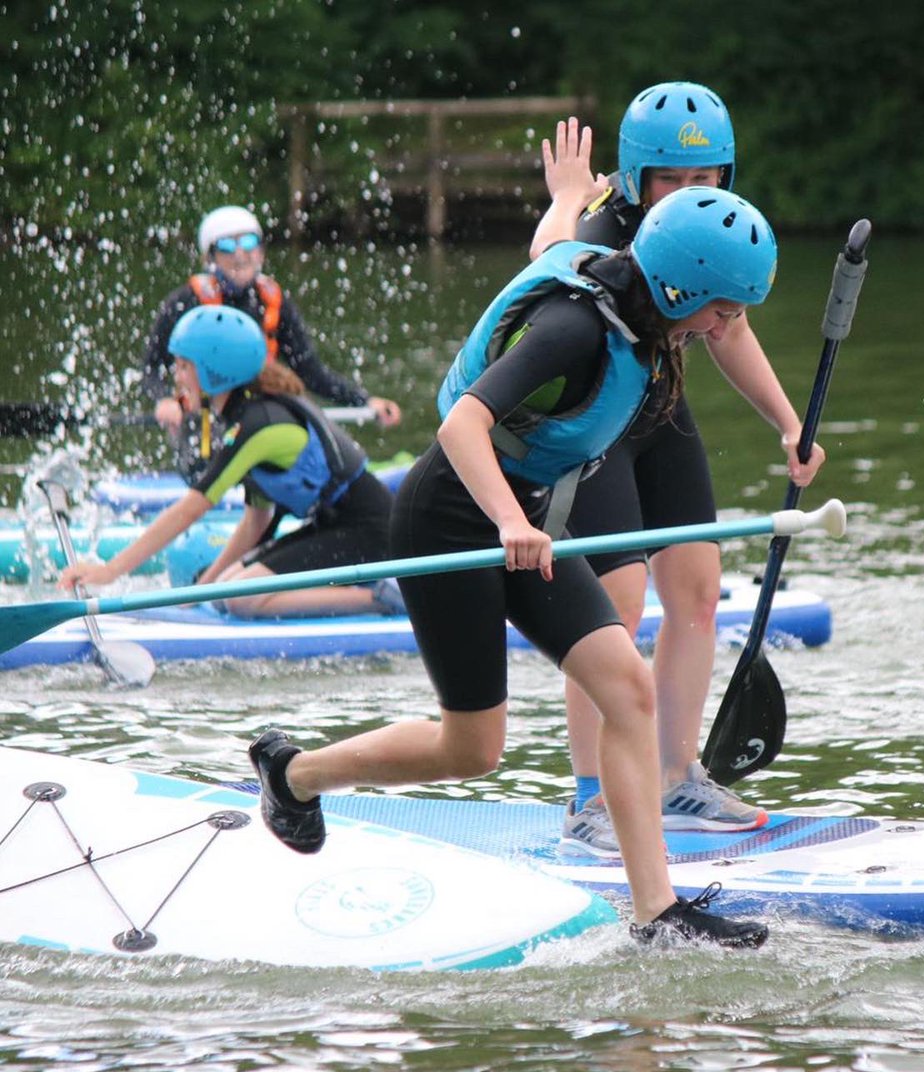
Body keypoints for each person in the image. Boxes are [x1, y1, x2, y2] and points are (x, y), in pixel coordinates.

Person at [249, 185, 780, 947]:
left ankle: (656, 914)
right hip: (448, 521)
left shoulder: (646, 316)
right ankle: (292, 775)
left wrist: (566, 195)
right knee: (472, 750)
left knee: (626, 687)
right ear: (677, 287)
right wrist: (504, 518)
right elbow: (463, 420)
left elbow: (559, 235)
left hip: (524, 522)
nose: (728, 328)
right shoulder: (571, 329)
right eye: (724, 311)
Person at [529, 84, 827, 856]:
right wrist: (564, 196)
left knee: (696, 590)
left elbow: (728, 333)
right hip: (594, 422)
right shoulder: (601, 217)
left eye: (709, 179)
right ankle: (590, 797)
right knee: (615, 611)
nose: (695, 194)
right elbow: (543, 260)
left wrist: (788, 422)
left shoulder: (711, 229)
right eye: (674, 180)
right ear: (635, 177)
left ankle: (674, 775)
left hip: (660, 410)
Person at [62, 304, 405, 619]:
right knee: (229, 587)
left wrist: (109, 572)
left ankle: (384, 599)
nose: (177, 377)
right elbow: (257, 520)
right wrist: (204, 589)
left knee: (243, 600)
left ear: (215, 371)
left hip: (370, 531)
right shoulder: (244, 415)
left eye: (184, 367)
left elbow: (190, 509)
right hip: (333, 525)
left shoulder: (258, 424)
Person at [141, 204, 402, 481]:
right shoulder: (184, 303)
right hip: (205, 418)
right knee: (204, 457)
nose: (241, 253)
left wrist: (364, 400)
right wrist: (164, 401)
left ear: (262, 252)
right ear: (211, 256)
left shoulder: (273, 303)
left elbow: (310, 371)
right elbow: (151, 369)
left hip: (256, 413)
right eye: (228, 245)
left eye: (250, 243)